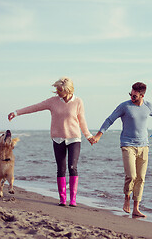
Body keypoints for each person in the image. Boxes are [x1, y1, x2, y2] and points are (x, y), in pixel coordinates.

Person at [91, 82, 152, 217]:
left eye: (135, 95)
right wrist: (98, 135)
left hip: (144, 146)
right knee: (131, 175)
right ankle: (127, 198)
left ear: (142, 95)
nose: (132, 97)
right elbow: (109, 120)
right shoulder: (125, 106)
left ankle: (136, 208)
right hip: (127, 145)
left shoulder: (148, 106)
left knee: (141, 178)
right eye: (131, 94)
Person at [8, 77, 93, 207]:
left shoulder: (78, 102)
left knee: (72, 167)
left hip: (74, 139)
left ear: (68, 90)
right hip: (58, 138)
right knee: (61, 169)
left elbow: (82, 121)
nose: (57, 92)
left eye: (60, 90)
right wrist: (16, 112)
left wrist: (88, 136)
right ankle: (62, 199)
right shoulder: (53, 102)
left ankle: (73, 199)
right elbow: (35, 107)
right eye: (57, 89)